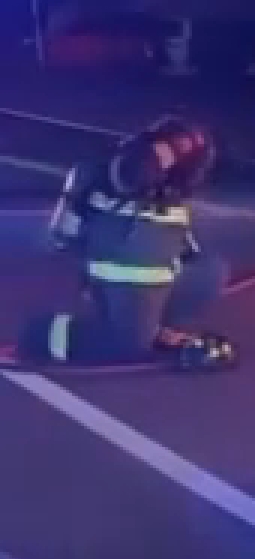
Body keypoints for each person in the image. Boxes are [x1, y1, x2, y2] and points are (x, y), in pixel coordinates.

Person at [17, 116, 234, 369]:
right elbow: (61, 238)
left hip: (146, 277)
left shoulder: (172, 194)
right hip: (110, 276)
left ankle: (149, 324)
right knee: (128, 346)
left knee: (211, 270)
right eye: (162, 153)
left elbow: (188, 246)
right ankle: (42, 334)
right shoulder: (95, 175)